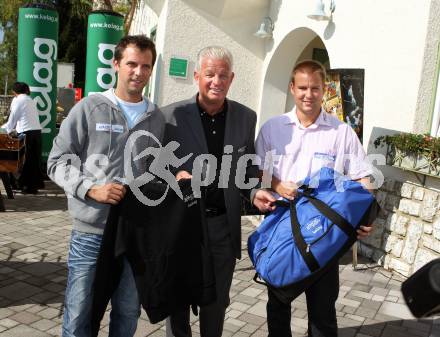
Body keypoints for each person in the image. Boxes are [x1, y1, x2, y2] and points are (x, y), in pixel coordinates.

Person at [47, 35, 164, 337]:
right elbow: (57, 161)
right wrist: (90, 188)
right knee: (79, 314)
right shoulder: (89, 108)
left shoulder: (156, 118)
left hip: (136, 232)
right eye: (131, 64)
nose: (138, 72)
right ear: (116, 64)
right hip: (92, 231)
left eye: (146, 66)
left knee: (127, 313)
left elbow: (158, 170)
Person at [252, 60, 374, 337]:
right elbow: (257, 169)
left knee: (323, 313)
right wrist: (278, 184)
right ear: (292, 88)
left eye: (315, 88)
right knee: (278, 306)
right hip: (282, 230)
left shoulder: (341, 132)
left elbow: (362, 177)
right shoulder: (274, 127)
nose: (309, 94)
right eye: (303, 88)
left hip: (325, 234)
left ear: (324, 89)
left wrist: (367, 217)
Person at [161, 46, 258, 337]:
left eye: (223, 75)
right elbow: (152, 167)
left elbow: (248, 170)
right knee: (177, 301)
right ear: (196, 76)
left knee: (216, 303)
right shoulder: (171, 116)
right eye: (209, 74)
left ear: (232, 78)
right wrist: (173, 176)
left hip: (221, 227)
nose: (216, 81)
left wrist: (255, 194)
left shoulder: (246, 117)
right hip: (182, 225)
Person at [1, 81, 44, 193]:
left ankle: (26, 186)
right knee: (34, 160)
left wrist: (4, 130)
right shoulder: (30, 99)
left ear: (14, 91)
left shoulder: (18, 100)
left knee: (25, 160)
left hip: (27, 133)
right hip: (37, 132)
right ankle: (34, 186)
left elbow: (12, 119)